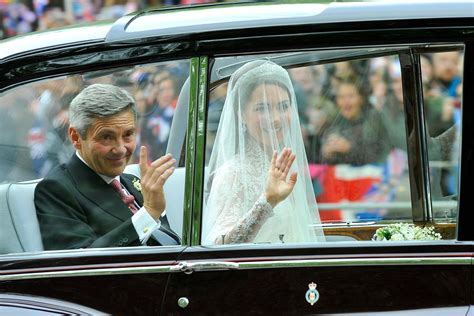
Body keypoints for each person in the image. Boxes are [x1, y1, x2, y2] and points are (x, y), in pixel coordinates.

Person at [34, 83, 180, 250]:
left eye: (128, 135)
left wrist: (155, 212)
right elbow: (78, 265)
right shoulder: (56, 190)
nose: (120, 149)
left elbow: (169, 245)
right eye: (106, 137)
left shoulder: (132, 182)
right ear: (76, 137)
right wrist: (148, 214)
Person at [202, 60, 325, 245]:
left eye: (283, 106)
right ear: (241, 114)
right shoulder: (233, 174)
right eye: (263, 108)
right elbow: (218, 246)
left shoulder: (284, 166)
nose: (276, 118)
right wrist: (266, 203)